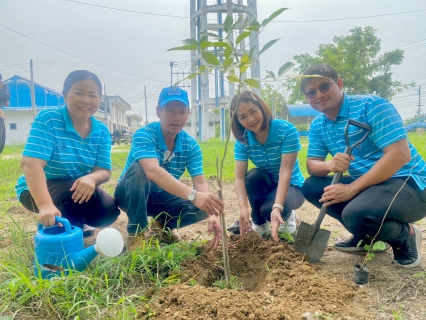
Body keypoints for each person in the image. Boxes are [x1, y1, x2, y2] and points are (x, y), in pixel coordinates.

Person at [300, 64, 426, 268]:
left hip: (410, 183)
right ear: (307, 98)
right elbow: (312, 165)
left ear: (339, 84)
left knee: (356, 214)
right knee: (312, 186)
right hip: (373, 186)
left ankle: (405, 236)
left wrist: (351, 189)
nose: (319, 95)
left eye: (324, 86)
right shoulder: (318, 124)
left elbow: (400, 155)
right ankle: (367, 236)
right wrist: (330, 164)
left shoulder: (372, 106)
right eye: (311, 92)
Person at [114, 86, 225, 251]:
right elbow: (151, 171)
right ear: (159, 111)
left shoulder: (190, 145)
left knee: (204, 205)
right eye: (170, 110)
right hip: (130, 194)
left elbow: (200, 181)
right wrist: (194, 195)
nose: (176, 117)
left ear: (188, 114)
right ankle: (136, 233)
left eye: (182, 111)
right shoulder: (144, 134)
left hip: (159, 197)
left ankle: (162, 225)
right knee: (140, 168)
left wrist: (211, 212)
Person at [15, 70, 120, 236]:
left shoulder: (102, 131)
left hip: (73, 186)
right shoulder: (49, 119)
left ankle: (75, 223)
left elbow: (104, 170)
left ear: (99, 99)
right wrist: (44, 205)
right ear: (65, 95)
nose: (86, 100)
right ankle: (58, 231)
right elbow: (31, 164)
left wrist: (91, 178)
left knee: (108, 211)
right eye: (79, 93)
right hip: (37, 188)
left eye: (92, 95)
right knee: (70, 196)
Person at [229, 91, 305, 242]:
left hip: (293, 186)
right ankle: (260, 224)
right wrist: (243, 207)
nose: (250, 120)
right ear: (237, 120)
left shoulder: (286, 130)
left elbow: (285, 171)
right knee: (252, 176)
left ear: (261, 108)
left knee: (268, 209)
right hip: (269, 184)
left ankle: (288, 215)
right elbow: (239, 178)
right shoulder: (243, 140)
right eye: (243, 117)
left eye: (253, 111)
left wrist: (277, 207)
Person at [0, 73, 11, 155]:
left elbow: (7, 103)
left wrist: (4, 94)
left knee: (1, 144)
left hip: (1, 118)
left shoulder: (4, 88)